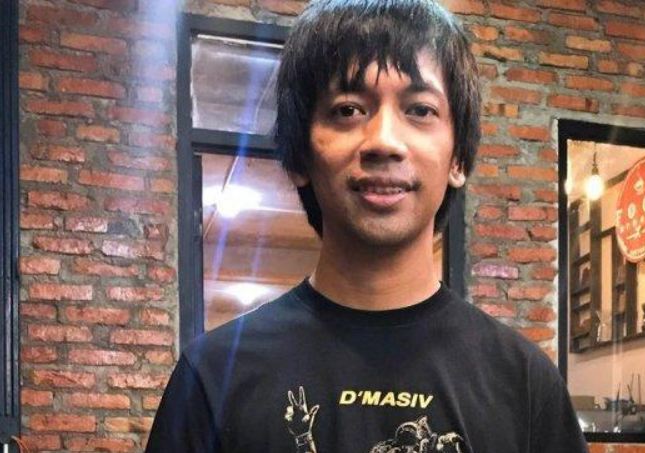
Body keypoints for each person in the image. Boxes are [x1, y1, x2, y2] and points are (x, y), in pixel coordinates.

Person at [146, 1, 588, 451]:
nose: (384, 141)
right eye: (348, 110)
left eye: (420, 110)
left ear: (458, 158)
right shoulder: (212, 378)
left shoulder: (524, 385)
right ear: (300, 156)